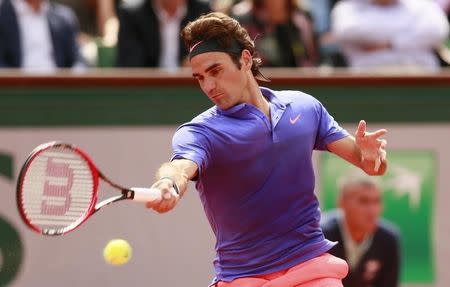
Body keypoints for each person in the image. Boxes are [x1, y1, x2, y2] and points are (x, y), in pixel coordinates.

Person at [144, 12, 388, 287]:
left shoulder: (304, 108)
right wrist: (169, 183)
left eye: (215, 71)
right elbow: (180, 167)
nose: (209, 86)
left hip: (311, 269)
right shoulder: (200, 131)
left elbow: (371, 166)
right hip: (243, 278)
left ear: (246, 59)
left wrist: (371, 156)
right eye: (200, 78)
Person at [321, 172, 401, 287]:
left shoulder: (388, 239)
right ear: (342, 203)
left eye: (376, 201)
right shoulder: (321, 237)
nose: (372, 210)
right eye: (364, 201)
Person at [331, 0, 450, 71]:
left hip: (423, 80)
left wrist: (391, 43)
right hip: (368, 83)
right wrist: (410, 33)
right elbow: (346, 31)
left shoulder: (424, 6)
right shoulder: (346, 8)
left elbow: (437, 30)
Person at [116, 0, 210, 68]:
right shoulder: (131, 14)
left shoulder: (203, 13)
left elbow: (211, 57)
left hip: (188, 89)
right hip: (147, 89)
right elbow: (131, 66)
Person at [230, 0, 319, 67]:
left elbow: (313, 58)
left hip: (300, 83)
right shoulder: (243, 18)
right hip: (260, 84)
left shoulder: (302, 17)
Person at [0, 0, 84, 70]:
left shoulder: (64, 17)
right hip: (16, 86)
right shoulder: (3, 14)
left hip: (58, 85)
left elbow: (78, 60)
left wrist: (76, 75)